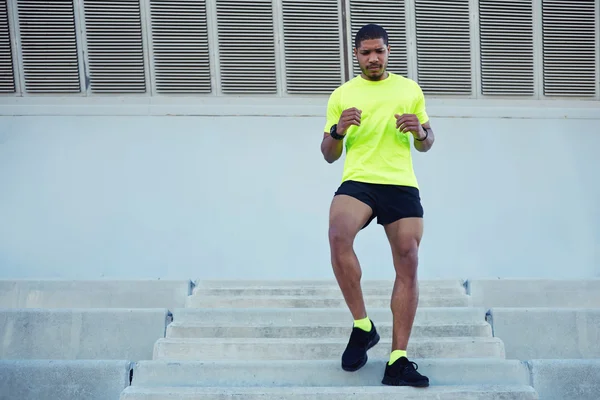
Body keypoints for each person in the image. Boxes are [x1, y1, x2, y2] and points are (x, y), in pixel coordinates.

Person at [320, 23, 434, 387]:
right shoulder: (342, 94)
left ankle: (397, 359)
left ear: (388, 52)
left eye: (379, 51)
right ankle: (362, 326)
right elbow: (327, 154)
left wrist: (420, 130)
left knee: (409, 257)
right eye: (366, 52)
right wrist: (338, 130)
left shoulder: (409, 89)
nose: (373, 58)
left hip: (400, 182)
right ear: (356, 55)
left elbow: (427, 142)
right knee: (339, 235)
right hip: (360, 179)